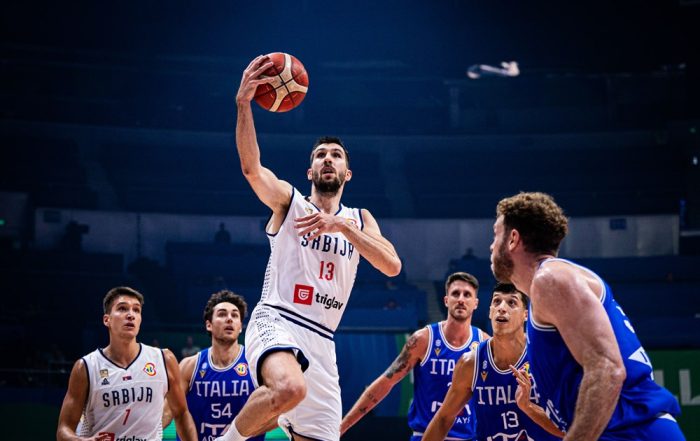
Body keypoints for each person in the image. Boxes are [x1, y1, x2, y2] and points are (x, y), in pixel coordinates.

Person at [215, 54, 402, 441]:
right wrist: (243, 105)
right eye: (320, 155)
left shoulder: (360, 218)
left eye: (336, 155)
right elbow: (252, 169)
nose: (328, 159)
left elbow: (391, 265)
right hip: (278, 319)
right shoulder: (291, 202)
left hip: (322, 339)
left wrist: (342, 227)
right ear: (310, 171)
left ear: (347, 173)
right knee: (290, 388)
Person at [489, 192, 684, 440]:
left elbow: (608, 369)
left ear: (513, 239)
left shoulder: (551, 278)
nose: (491, 246)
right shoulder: (549, 291)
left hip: (634, 433)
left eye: (495, 235)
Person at [341, 272, 488, 441]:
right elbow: (386, 382)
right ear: (446, 300)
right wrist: (343, 426)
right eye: (456, 293)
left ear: (475, 303)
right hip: (425, 436)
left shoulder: (484, 343)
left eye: (467, 295)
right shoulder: (423, 339)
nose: (461, 299)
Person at [423, 282, 564, 441]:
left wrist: (528, 407)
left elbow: (568, 428)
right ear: (490, 312)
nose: (502, 308)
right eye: (497, 301)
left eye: (511, 303)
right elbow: (443, 419)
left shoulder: (544, 356)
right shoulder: (471, 363)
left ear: (526, 315)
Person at [56, 286, 197, 441]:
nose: (131, 315)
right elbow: (63, 430)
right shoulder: (86, 367)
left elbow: (181, 413)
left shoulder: (164, 359)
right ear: (107, 320)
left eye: (136, 310)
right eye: (122, 309)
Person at [163, 290, 264, 441]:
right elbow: (167, 412)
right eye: (222, 314)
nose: (229, 319)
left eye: (235, 315)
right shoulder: (189, 366)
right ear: (209, 325)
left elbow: (278, 411)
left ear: (240, 327)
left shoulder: (255, 363)